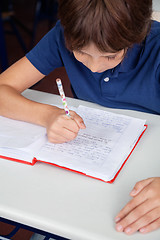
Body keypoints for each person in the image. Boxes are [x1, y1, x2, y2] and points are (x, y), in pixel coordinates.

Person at [0, 0, 159, 235]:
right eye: (81, 53)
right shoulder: (63, 35)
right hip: (88, 170)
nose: (94, 68)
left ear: (137, 36)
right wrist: (47, 115)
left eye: (110, 56)